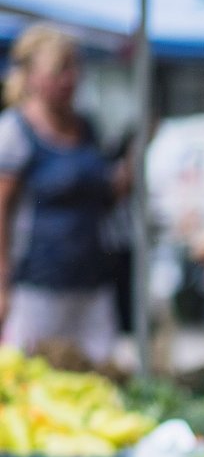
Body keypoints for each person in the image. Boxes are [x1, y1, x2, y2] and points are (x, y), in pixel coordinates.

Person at [0, 23, 128, 363]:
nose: (70, 79)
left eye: (75, 68)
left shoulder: (88, 127)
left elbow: (104, 199)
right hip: (37, 283)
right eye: (60, 70)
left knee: (99, 370)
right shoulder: (14, 132)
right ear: (31, 76)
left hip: (91, 280)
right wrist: (1, 285)